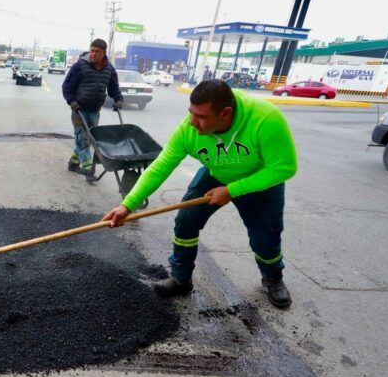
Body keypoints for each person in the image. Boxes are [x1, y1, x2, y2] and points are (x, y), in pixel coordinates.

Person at [102, 79, 297, 309]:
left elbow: (284, 168)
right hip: (218, 174)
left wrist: (232, 190)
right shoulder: (189, 129)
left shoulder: (266, 119)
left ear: (225, 113)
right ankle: (180, 278)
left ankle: (273, 278)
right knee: (186, 221)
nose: (192, 122)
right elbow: (160, 166)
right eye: (191, 113)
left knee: (265, 237)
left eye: (201, 117)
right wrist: (127, 205)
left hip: (260, 181)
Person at [62, 39, 123, 181]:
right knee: (83, 140)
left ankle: (73, 163)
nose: (93, 54)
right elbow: (67, 86)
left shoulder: (109, 69)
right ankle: (89, 170)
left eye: (97, 51)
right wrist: (72, 101)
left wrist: (118, 100)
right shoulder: (80, 66)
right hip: (79, 110)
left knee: (89, 139)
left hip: (95, 111)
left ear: (104, 53)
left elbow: (113, 87)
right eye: (92, 50)